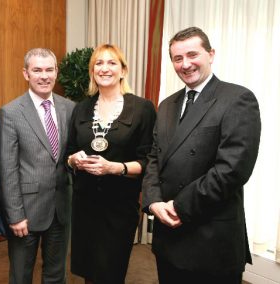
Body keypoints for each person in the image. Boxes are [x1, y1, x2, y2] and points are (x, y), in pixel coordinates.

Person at [141, 26, 261, 284]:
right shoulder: (166, 105)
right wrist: (153, 202)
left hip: (210, 238)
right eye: (177, 58)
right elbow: (154, 158)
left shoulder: (237, 98)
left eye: (192, 55)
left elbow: (232, 170)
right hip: (168, 234)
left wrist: (178, 206)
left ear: (210, 54)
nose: (185, 64)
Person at [66, 44, 156, 284]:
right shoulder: (81, 108)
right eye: (98, 63)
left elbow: (149, 161)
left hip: (119, 209)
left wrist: (115, 168)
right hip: (84, 206)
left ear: (123, 70)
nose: (104, 68)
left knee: (110, 273)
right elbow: (69, 152)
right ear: (92, 71)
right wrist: (74, 160)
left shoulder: (142, 108)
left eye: (111, 63)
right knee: (89, 273)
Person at [0, 48, 75, 284]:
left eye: (49, 69)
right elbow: (7, 169)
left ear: (56, 72)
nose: (44, 76)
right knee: (21, 276)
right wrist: (15, 215)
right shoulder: (10, 113)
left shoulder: (70, 108)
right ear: (26, 73)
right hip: (26, 213)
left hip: (61, 209)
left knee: (56, 274)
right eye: (37, 70)